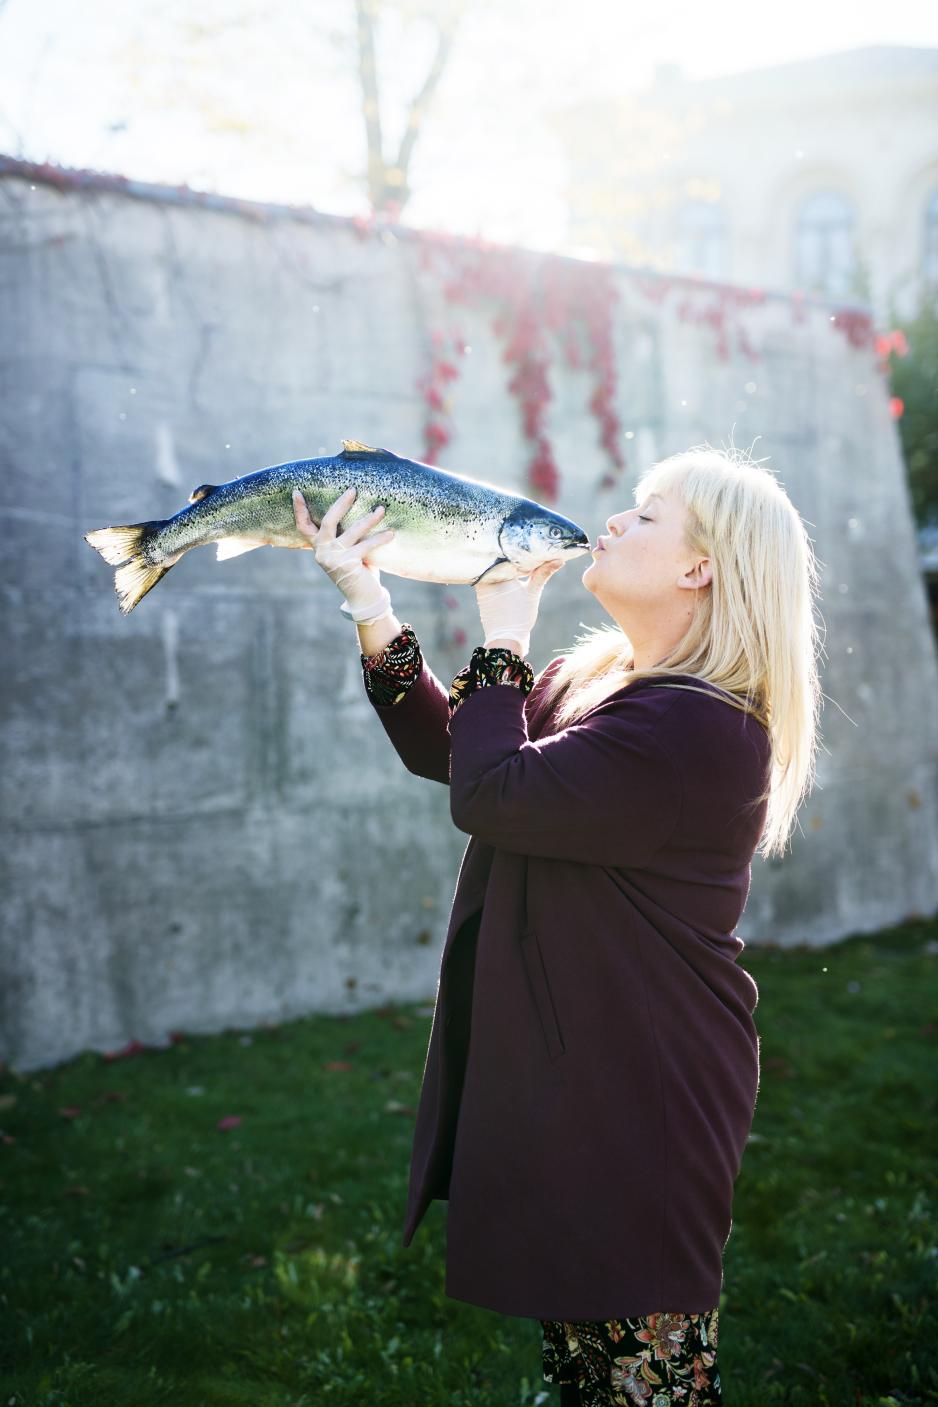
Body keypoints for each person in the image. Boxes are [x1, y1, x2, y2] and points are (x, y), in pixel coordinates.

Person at [291, 445, 822, 1407]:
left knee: (640, 1374)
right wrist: (369, 602)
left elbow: (494, 792)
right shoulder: (606, 683)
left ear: (702, 566)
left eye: (646, 516)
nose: (612, 523)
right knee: (583, 1366)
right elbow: (457, 757)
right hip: (582, 1065)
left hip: (644, 1092)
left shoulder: (700, 728)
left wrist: (504, 632)